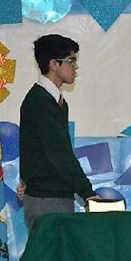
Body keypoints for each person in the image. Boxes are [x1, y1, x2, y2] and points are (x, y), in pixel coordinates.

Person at [18, 34, 98, 229]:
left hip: (55, 197)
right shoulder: (40, 102)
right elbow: (59, 154)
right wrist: (88, 193)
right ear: (54, 64)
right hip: (46, 201)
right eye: (71, 61)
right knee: (52, 259)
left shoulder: (56, 102)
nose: (75, 67)